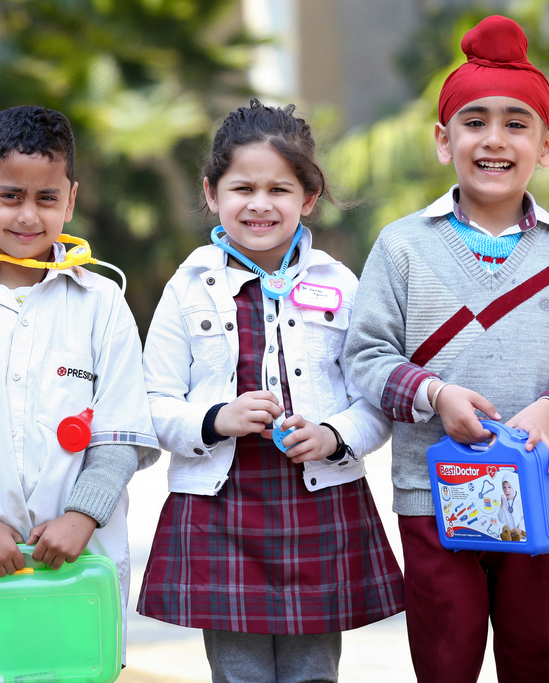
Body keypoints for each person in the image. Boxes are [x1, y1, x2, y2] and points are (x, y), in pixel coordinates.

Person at [344, 15, 549, 683]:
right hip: (436, 495)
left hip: (543, 493)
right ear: (443, 141)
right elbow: (367, 355)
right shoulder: (402, 245)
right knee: (445, 659)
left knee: (542, 656)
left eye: (516, 122)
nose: (494, 139)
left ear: (547, 143)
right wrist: (436, 394)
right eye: (473, 121)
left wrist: (548, 413)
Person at [138, 99, 404, 683]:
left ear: (308, 199)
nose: (260, 204)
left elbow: (374, 398)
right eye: (242, 188)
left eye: (280, 189)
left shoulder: (341, 284)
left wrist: (334, 436)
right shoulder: (186, 289)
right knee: (239, 675)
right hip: (220, 507)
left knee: (313, 673)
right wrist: (215, 420)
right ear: (212, 193)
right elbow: (153, 403)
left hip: (319, 504)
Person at [0, 105, 159, 653]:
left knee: (74, 665)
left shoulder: (103, 304)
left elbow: (120, 430)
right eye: (9, 196)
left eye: (46, 198)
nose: (27, 216)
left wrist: (83, 515)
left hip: (81, 560)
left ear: (71, 199)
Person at [497, 475, 525, 540]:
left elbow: (524, 517)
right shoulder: (504, 504)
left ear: (514, 487)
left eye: (509, 487)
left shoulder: (519, 502)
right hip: (509, 535)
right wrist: (502, 505)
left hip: (519, 533)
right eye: (504, 488)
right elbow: (501, 520)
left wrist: (520, 528)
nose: (507, 490)